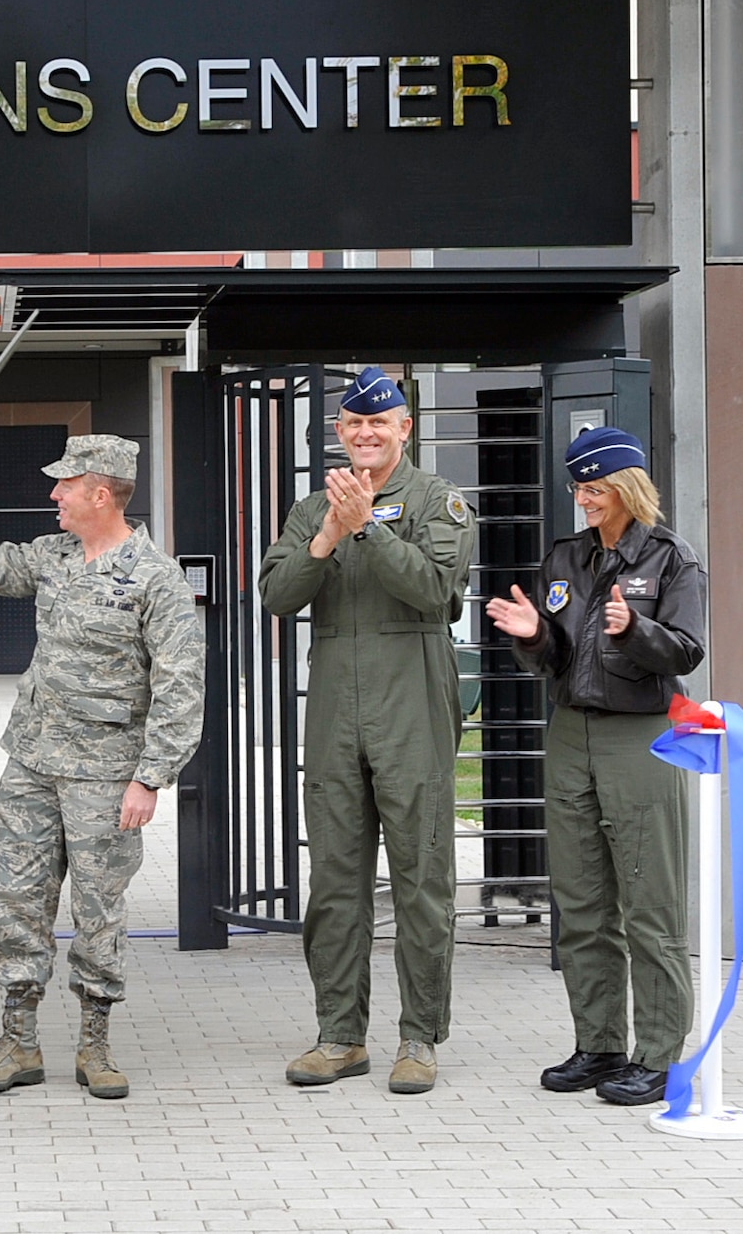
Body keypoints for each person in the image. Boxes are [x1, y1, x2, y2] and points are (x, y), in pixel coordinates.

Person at [0, 434, 205, 1101]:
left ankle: (95, 1043)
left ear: (98, 493)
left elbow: (181, 685)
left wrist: (150, 775)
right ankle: (17, 1040)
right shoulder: (52, 555)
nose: (52, 494)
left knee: (98, 911)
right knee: (17, 903)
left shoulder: (154, 578)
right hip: (31, 763)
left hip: (106, 776)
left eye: (64, 485)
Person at [259, 366, 477, 1095]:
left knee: (421, 876)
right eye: (352, 424)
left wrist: (367, 533)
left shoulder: (437, 501)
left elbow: (431, 588)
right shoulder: (311, 506)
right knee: (336, 882)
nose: (364, 434)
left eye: (378, 423)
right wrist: (327, 532)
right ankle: (340, 1034)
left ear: (403, 429)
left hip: (411, 699)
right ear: (340, 431)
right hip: (335, 711)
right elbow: (277, 595)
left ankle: (419, 1037)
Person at [484, 427, 706, 1107]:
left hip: (639, 735)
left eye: (596, 488)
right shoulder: (566, 558)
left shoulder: (670, 558)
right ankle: (599, 1043)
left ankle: (660, 1055)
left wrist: (631, 630)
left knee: (649, 904)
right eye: (579, 488)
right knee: (581, 903)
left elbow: (687, 650)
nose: (584, 500)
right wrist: (535, 638)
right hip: (572, 733)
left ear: (629, 489)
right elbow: (558, 656)